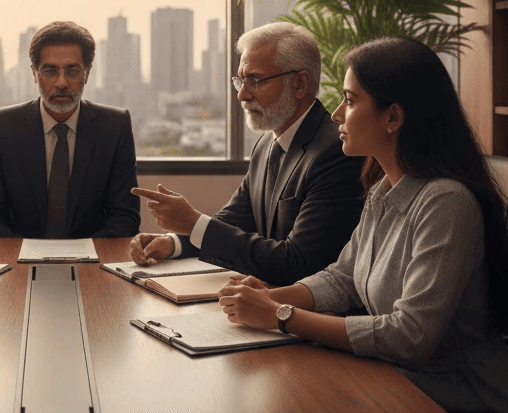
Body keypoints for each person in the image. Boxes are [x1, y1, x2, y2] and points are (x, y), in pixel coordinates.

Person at [218, 37, 508, 413]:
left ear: (393, 117)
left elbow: (410, 336)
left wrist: (280, 316)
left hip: (462, 397)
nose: (336, 114)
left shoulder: (446, 203)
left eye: (351, 100)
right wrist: (270, 298)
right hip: (396, 382)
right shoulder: (383, 191)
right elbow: (342, 278)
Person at [130, 22, 364, 285]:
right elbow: (237, 219)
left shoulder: (337, 151)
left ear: (299, 83)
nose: (242, 94)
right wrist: (174, 241)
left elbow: (299, 262)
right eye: (240, 80)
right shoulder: (267, 143)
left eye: (255, 80)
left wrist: (192, 223)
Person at [0, 20, 140, 238]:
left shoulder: (114, 126)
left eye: (72, 71)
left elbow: (125, 218)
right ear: (34, 74)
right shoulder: (1, 126)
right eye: (50, 71)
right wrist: (29, 256)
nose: (61, 83)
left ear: (87, 73)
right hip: (20, 261)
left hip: (92, 260)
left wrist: (81, 256)